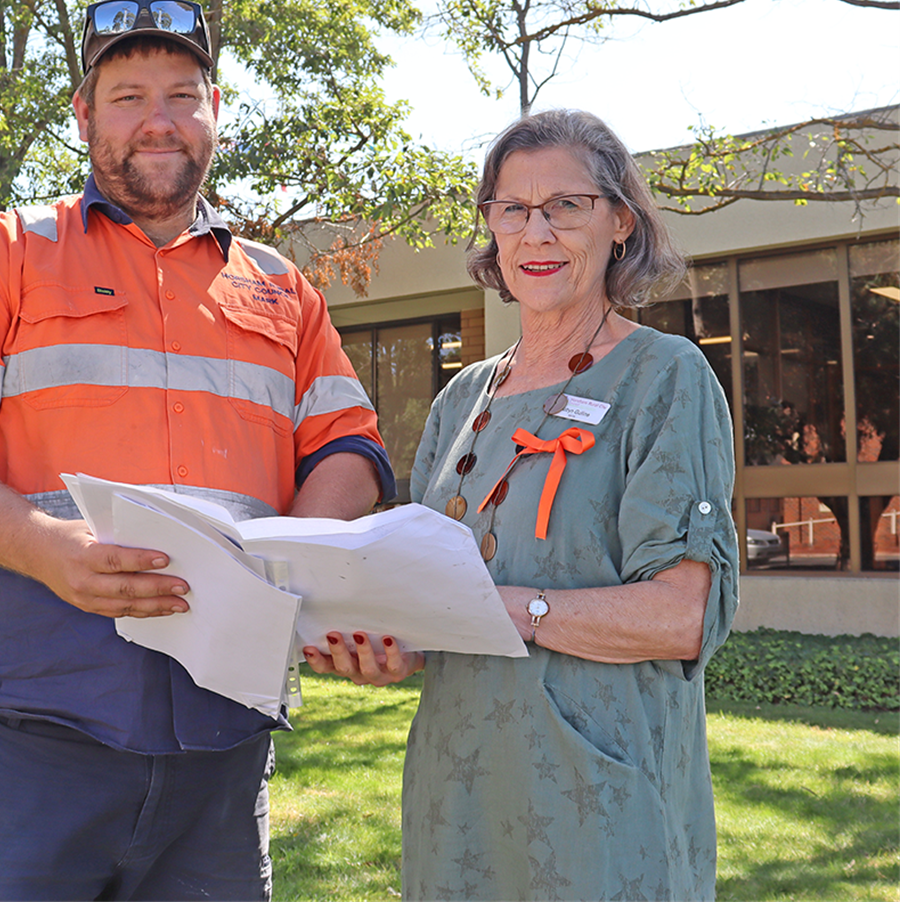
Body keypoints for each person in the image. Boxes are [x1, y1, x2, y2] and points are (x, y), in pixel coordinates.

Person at [0, 0, 394, 902]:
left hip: (225, 746)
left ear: (216, 114)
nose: (159, 119)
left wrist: (296, 560)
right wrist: (45, 547)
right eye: (128, 96)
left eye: (184, 95)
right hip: (28, 736)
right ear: (83, 116)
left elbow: (346, 447)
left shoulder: (283, 289)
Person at [304, 109, 739, 901]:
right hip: (457, 803)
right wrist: (385, 648)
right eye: (513, 209)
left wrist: (505, 608)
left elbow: (681, 617)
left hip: (601, 811)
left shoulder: (663, 379)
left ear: (619, 223)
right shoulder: (463, 396)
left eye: (565, 206)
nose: (536, 231)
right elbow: (429, 610)